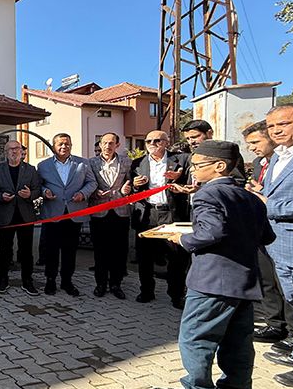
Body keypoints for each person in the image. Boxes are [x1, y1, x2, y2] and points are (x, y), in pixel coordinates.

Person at [152, 140, 275, 389]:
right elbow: (267, 235)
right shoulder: (249, 197)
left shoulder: (209, 194)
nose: (192, 170)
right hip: (243, 281)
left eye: (198, 165)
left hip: (212, 282)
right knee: (238, 343)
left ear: (220, 166)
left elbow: (211, 232)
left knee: (196, 338)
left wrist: (183, 240)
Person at [252, 102, 293, 389]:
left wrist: (272, 205)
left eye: (283, 124)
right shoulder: (280, 156)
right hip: (282, 246)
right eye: (271, 126)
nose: (275, 130)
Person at [242, 121, 293, 350]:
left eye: (256, 142)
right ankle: (275, 324)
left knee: (287, 284)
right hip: (261, 229)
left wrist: (264, 196)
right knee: (266, 279)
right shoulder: (259, 163)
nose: (252, 148)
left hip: (285, 232)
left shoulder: (291, 162)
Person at [130, 130, 190, 309]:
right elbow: (132, 191)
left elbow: (192, 181)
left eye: (157, 140)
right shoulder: (138, 163)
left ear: (166, 142)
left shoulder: (181, 160)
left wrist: (180, 179)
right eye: (148, 140)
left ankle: (176, 294)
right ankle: (146, 290)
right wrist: (135, 185)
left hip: (171, 213)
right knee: (145, 256)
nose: (152, 144)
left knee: (176, 257)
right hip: (147, 213)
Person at [36, 133, 97, 296]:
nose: (64, 147)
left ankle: (67, 281)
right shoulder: (43, 165)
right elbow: (38, 185)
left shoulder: (83, 163)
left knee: (70, 250)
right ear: (54, 146)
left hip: (74, 213)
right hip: (52, 213)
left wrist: (83, 194)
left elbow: (92, 182)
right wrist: (45, 191)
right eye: (60, 144)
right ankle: (50, 281)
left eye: (67, 144)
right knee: (51, 250)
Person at [0, 141, 41, 294]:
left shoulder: (30, 169)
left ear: (21, 151)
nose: (14, 151)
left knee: (26, 251)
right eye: (10, 149)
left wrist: (30, 195)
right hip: (6, 215)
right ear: (6, 152)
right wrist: (0, 196)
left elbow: (38, 189)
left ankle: (27, 281)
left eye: (17, 148)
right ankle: (3, 280)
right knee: (4, 250)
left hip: (25, 215)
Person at [87, 132, 132, 300]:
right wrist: (94, 191)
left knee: (119, 251)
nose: (107, 146)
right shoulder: (90, 163)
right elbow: (88, 184)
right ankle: (100, 284)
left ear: (117, 145)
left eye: (111, 143)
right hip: (99, 212)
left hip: (120, 212)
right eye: (104, 143)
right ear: (99, 145)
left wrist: (128, 190)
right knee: (100, 251)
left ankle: (116, 284)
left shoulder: (126, 162)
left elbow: (131, 184)